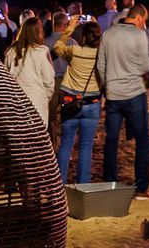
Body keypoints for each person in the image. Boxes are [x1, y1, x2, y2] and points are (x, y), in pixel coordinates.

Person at [97, 4, 149, 199]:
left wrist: (109, 82)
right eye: (144, 20)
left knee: (111, 140)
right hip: (134, 93)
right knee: (142, 141)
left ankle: (110, 182)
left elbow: (101, 64)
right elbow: (146, 65)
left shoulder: (108, 34)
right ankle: (140, 187)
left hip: (113, 94)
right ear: (138, 18)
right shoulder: (139, 35)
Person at [51, 20, 103, 183]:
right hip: (92, 101)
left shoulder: (74, 51)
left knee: (66, 144)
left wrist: (69, 30)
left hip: (71, 100)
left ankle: (60, 184)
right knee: (86, 146)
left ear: (83, 37)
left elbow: (57, 48)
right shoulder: (100, 54)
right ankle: (83, 185)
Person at [2, 17, 55, 129]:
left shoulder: (11, 52)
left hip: (16, 102)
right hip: (36, 102)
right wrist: (45, 96)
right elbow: (48, 80)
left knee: (20, 138)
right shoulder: (41, 51)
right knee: (36, 138)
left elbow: (5, 78)